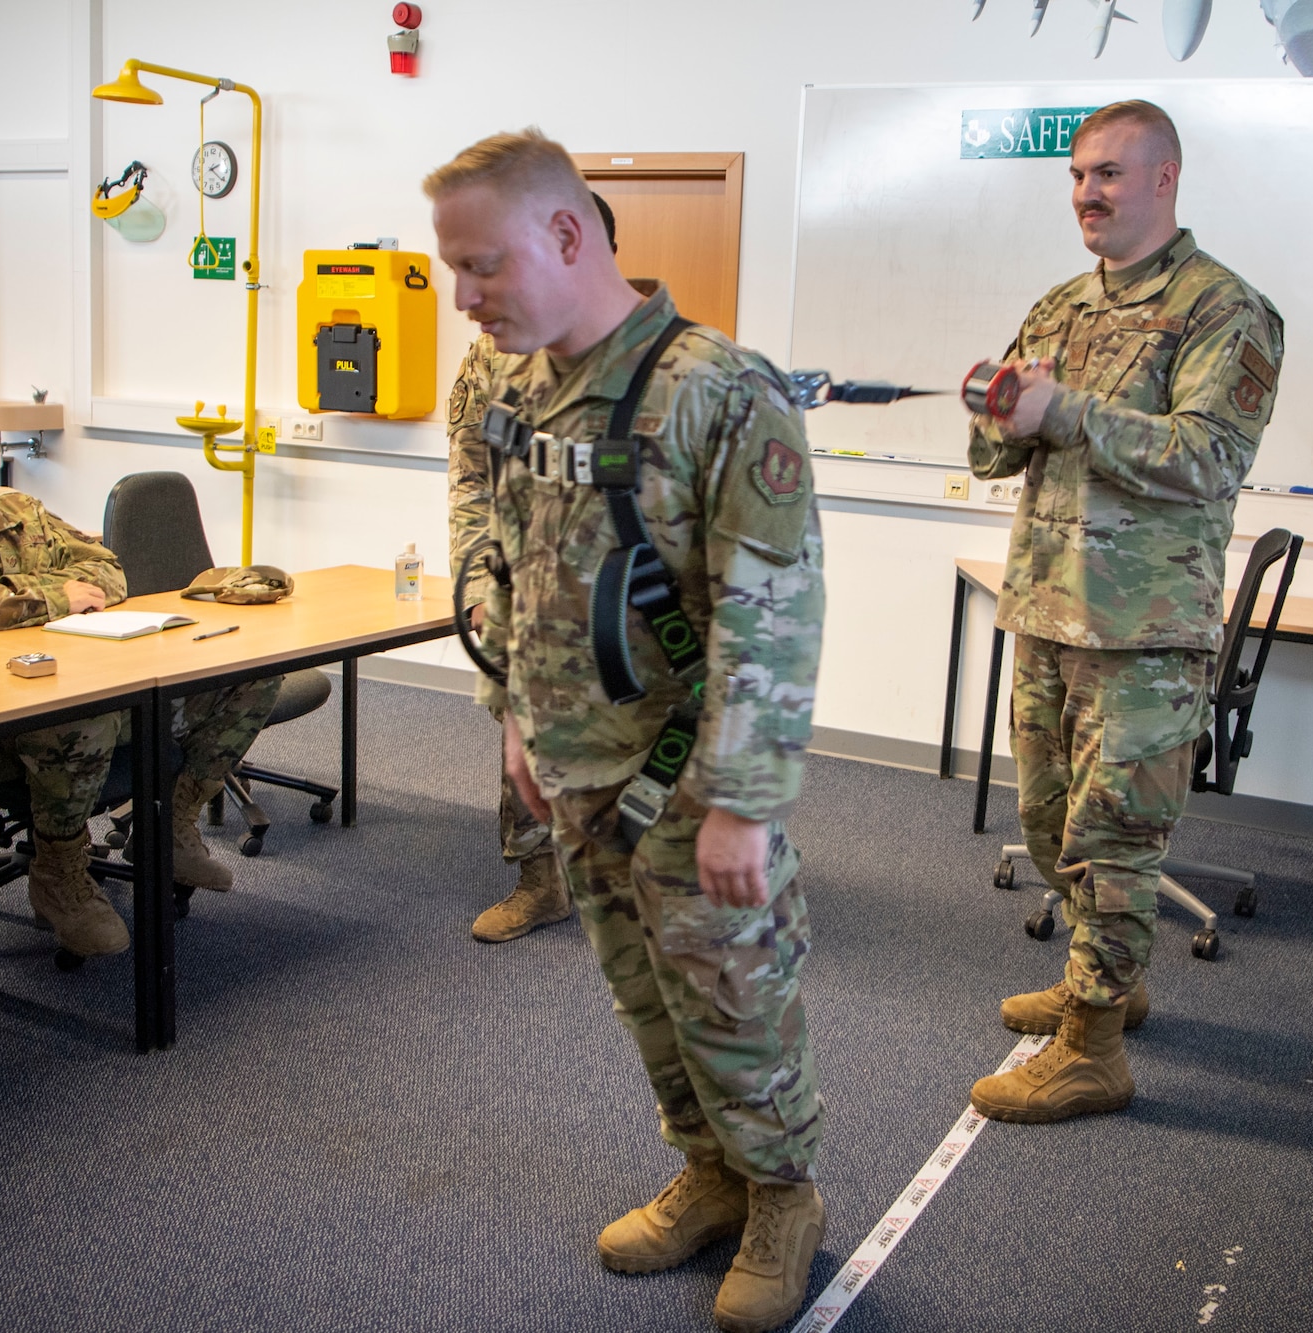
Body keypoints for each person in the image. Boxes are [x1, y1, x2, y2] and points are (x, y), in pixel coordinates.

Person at [427, 131, 827, 1333]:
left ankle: (781, 1196)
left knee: (730, 993)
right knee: (641, 993)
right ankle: (706, 1173)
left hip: (689, 766)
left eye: (482, 265)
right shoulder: (501, 384)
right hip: (568, 759)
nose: (464, 297)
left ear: (565, 234)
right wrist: (509, 715)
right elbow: (493, 543)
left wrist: (744, 800)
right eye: (451, 269)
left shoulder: (715, 388)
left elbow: (775, 606)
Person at [964, 101, 1285, 1124]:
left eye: (1106, 174)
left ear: (1163, 179)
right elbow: (1000, 453)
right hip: (1047, 609)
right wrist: (997, 416)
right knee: (1050, 823)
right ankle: (1107, 981)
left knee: (1115, 837)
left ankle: (1094, 1050)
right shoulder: (1058, 305)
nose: (1085, 194)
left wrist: (1060, 411)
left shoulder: (1221, 310)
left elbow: (1206, 458)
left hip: (1144, 629)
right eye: (1074, 176)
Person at [0, 376, 283, 960]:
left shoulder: (21, 507)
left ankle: (173, 825)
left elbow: (109, 569)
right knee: (82, 716)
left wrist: (20, 595)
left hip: (81, 673)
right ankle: (59, 871)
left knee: (248, 673)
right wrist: (54, 594)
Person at [446, 195, 634, 944]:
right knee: (520, 723)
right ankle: (540, 879)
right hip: (521, 578)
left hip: (622, 581)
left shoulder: (656, 353)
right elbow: (469, 469)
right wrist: (475, 571)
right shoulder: (495, 347)